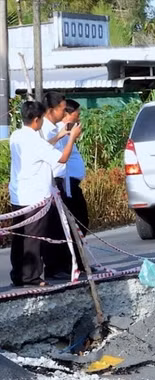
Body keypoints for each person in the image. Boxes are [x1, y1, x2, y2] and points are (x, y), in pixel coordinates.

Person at [8, 100, 81, 287]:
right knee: (34, 238)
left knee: (20, 237)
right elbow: (62, 158)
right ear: (36, 119)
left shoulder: (17, 135)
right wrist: (72, 137)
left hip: (19, 195)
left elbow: (40, 149)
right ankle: (31, 277)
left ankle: (18, 274)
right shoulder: (34, 140)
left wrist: (58, 137)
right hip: (35, 197)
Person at [41, 91, 73, 278]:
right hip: (50, 183)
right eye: (61, 109)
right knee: (53, 227)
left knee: (63, 227)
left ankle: (64, 265)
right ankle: (53, 267)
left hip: (59, 182)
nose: (64, 113)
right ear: (51, 110)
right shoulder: (44, 130)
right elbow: (59, 159)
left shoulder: (55, 129)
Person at [61, 100, 89, 240]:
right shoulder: (60, 133)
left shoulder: (67, 132)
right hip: (67, 184)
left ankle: (76, 255)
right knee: (79, 221)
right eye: (76, 114)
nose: (78, 118)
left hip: (73, 183)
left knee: (81, 221)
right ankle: (73, 256)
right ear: (65, 113)